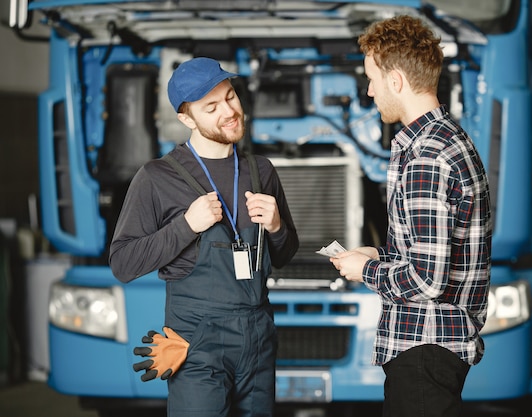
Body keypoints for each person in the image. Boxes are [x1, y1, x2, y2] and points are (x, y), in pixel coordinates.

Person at [109, 57, 299, 417]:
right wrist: (186, 225)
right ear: (186, 119)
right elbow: (123, 263)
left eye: (230, 97)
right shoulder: (157, 178)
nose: (228, 111)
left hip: (257, 339)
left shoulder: (261, 171)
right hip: (196, 345)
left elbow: (285, 254)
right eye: (211, 107)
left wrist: (276, 228)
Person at [330, 15, 492, 417]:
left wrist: (364, 272)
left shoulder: (427, 159)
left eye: (372, 78)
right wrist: (379, 257)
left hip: (424, 349)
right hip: (434, 348)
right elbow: (430, 252)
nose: (368, 91)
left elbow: (426, 279)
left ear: (396, 80)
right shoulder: (448, 141)